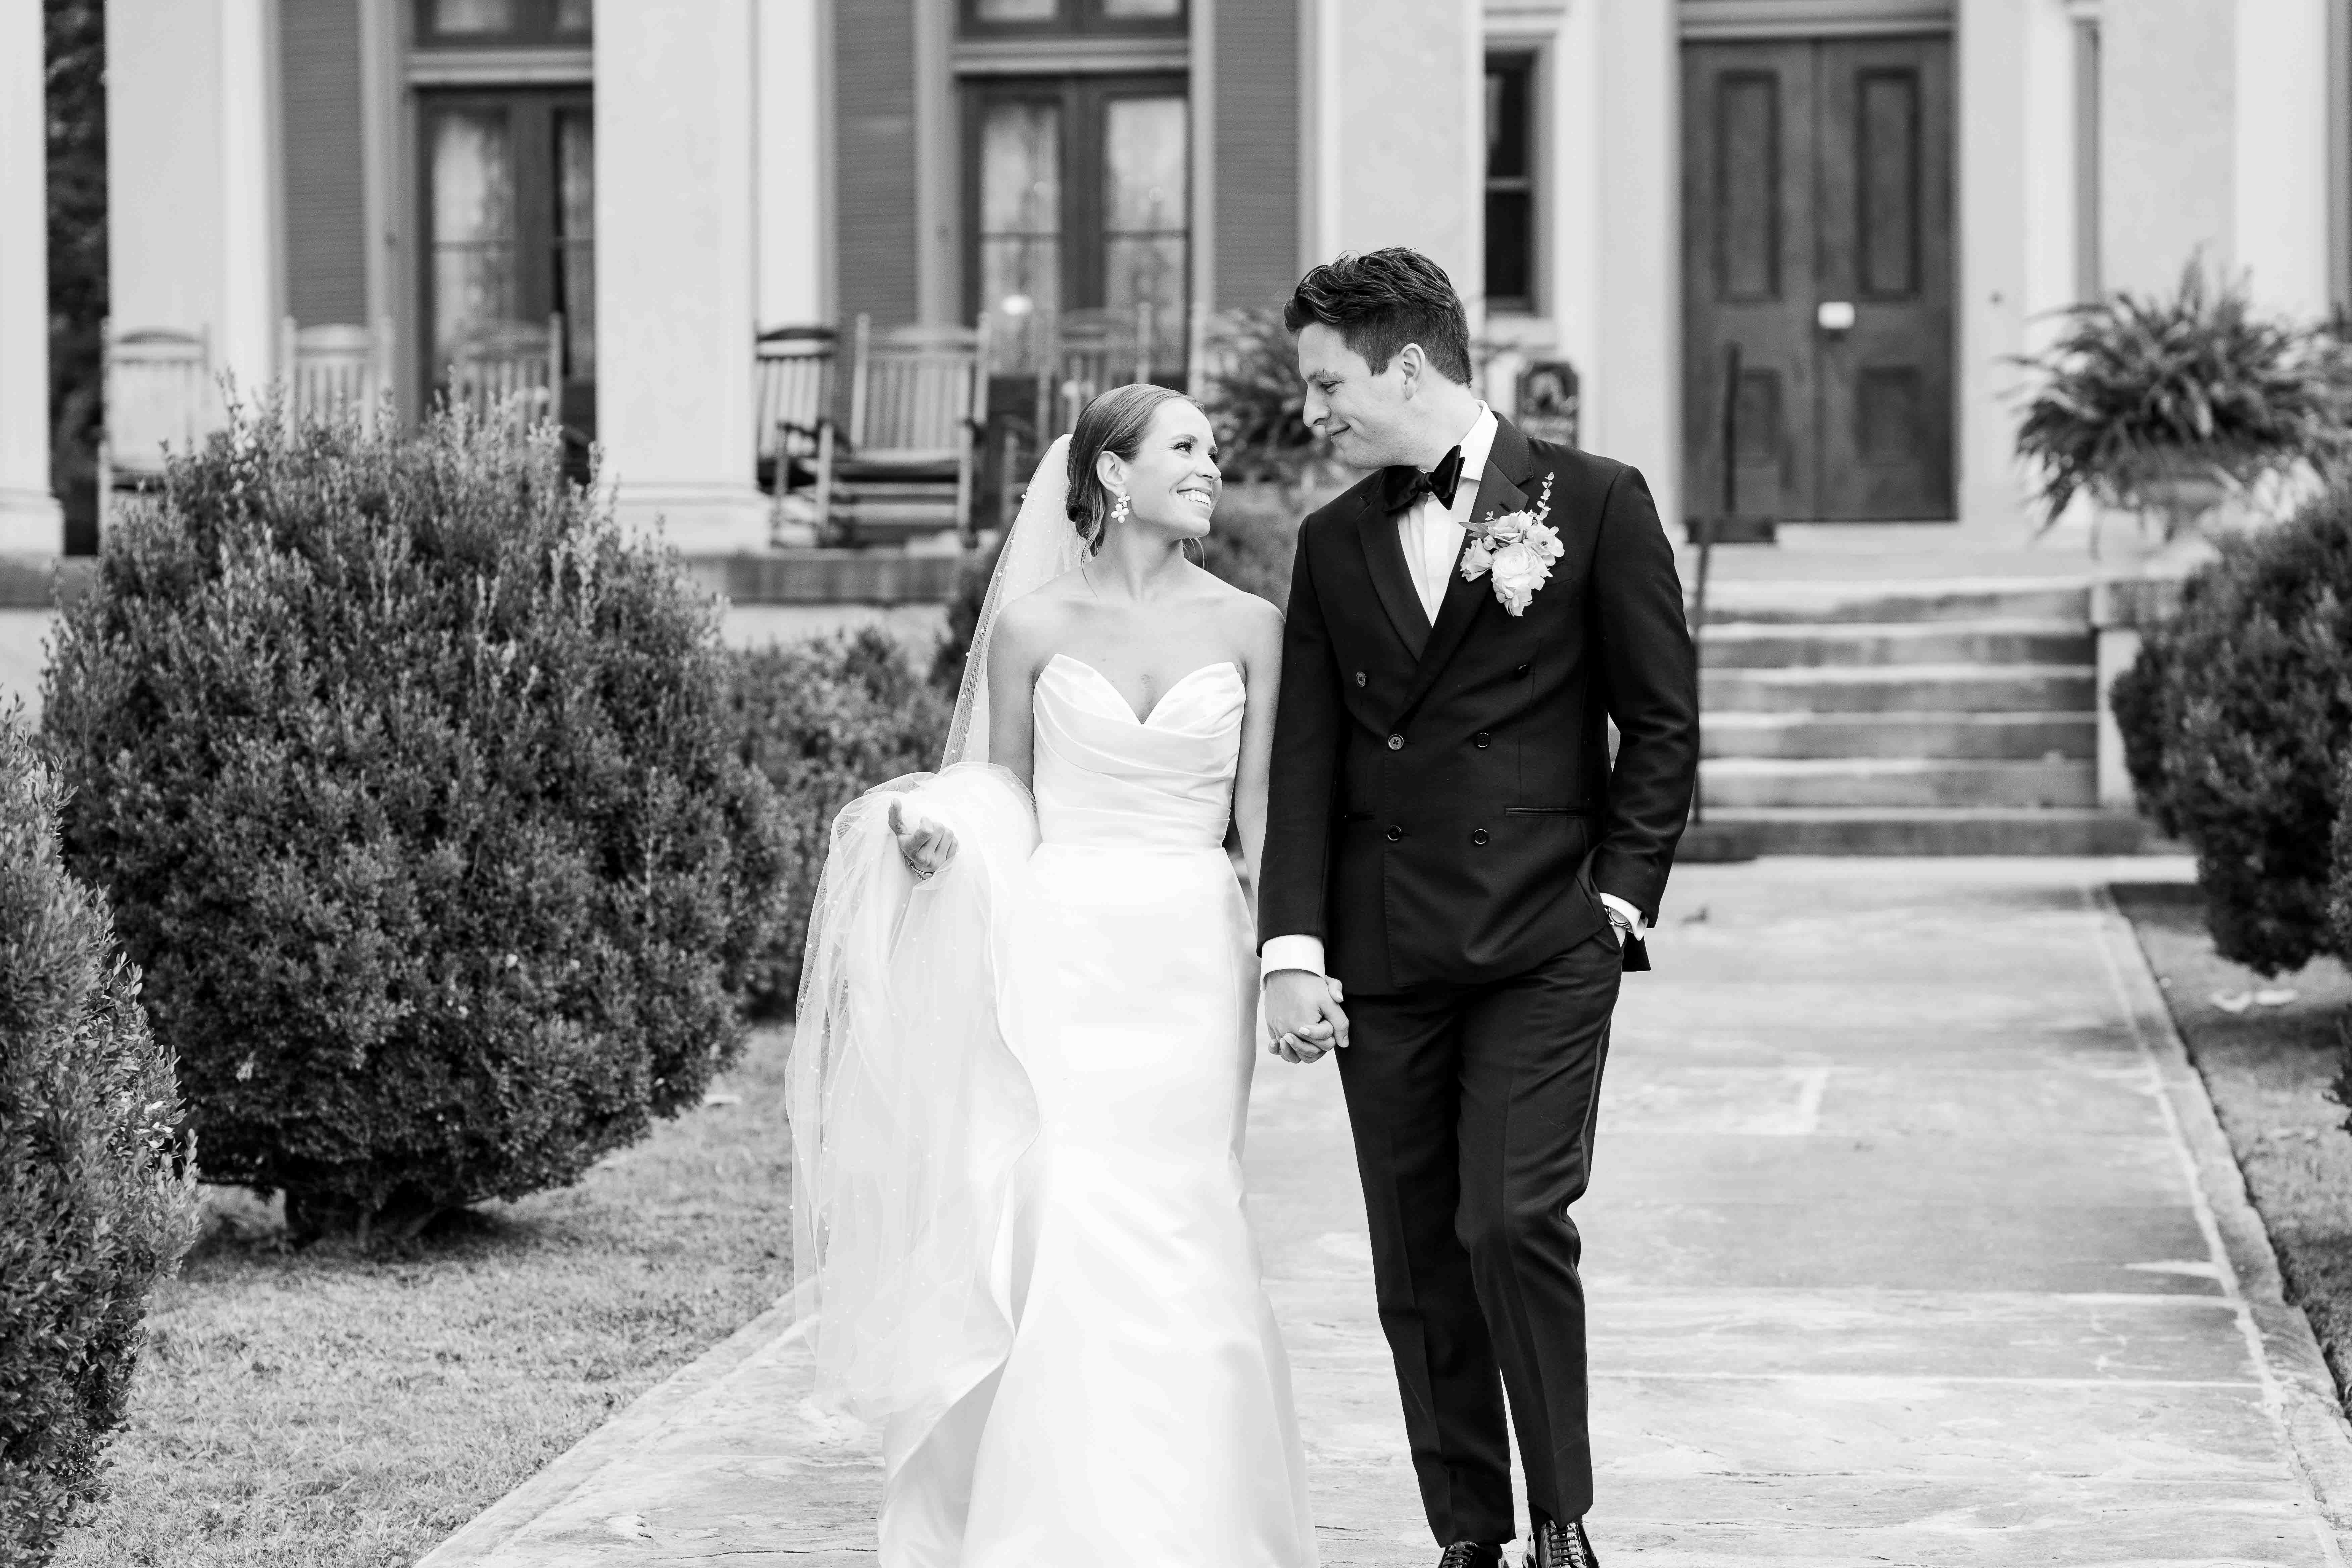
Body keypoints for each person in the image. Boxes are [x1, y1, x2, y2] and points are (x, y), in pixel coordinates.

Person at [789, 385, 1319, 1567]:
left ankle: (1201, 1523)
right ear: (1113, 476)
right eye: (1186, 447)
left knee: (1187, 1211)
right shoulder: (1031, 628)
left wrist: (1289, 954)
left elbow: (1265, 816)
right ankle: (1049, 1525)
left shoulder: (1251, 626)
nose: (1211, 466)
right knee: (1064, 1209)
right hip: (1064, 944)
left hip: (1190, 950)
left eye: (1213, 450)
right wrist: (944, 834)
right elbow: (1007, 796)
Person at [1258, 249, 1700, 1568]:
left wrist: (1618, 900)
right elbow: (1306, 763)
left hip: (1542, 945)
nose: (1314, 411)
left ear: (1406, 363)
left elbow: (1663, 726)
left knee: (1511, 1220)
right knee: (1415, 1263)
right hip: (1386, 951)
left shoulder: (1598, 500)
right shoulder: (1333, 543)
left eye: (1328, 382)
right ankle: (1468, 1533)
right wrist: (1292, 947)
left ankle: (1561, 1515)